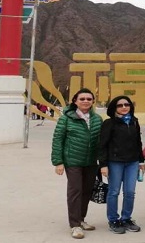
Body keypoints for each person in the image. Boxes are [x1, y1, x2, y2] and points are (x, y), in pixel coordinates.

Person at [51, 88, 103, 240]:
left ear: (93, 101)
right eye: (82, 99)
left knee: (87, 191)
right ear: (75, 101)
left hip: (91, 161)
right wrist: (58, 162)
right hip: (72, 160)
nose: (85, 101)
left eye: (89, 99)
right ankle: (75, 225)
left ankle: (81, 219)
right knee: (75, 191)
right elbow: (58, 140)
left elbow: (101, 141)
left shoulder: (97, 119)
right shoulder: (66, 118)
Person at [98, 95, 145, 234]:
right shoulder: (109, 123)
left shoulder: (134, 121)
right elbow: (102, 145)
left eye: (127, 104)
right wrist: (103, 165)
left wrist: (141, 161)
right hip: (115, 162)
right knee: (114, 191)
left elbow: (138, 142)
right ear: (114, 108)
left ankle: (126, 218)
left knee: (130, 192)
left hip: (132, 162)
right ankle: (113, 220)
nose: (124, 107)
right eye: (120, 105)